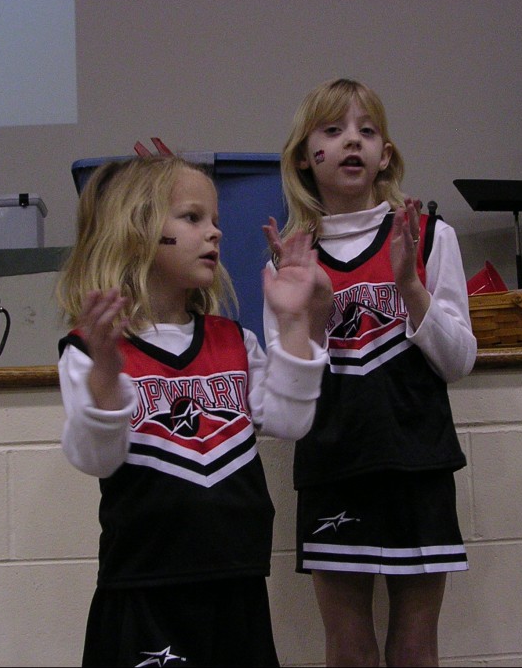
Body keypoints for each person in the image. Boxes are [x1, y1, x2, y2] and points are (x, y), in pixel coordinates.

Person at [55, 155, 329, 667]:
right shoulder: (91, 349)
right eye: (192, 218)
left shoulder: (233, 340)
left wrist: (294, 322)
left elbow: (291, 422)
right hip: (143, 587)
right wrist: (106, 378)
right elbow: (96, 457)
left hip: (237, 580)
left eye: (216, 221)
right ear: (136, 228)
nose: (214, 234)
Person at [263, 78, 478, 667]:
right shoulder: (290, 258)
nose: (351, 141)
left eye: (367, 130)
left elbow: (459, 362)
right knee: (349, 647)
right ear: (307, 157)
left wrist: (411, 288)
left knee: (415, 645)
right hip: (333, 464)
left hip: (419, 459)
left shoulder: (432, 236)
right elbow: (285, 397)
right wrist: (306, 319)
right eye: (332, 130)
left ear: (386, 154)